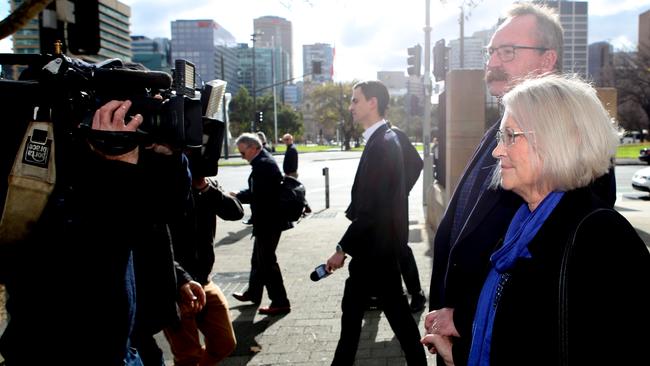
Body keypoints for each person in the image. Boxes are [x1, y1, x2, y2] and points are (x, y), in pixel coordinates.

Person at [424, 3, 617, 365]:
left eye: (508, 52)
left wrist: (464, 316)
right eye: (491, 51)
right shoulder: (493, 134)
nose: (493, 61)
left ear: (547, 60)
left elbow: (565, 286)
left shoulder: (577, 155)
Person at [0, 100, 147, 365]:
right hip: (56, 351)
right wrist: (115, 168)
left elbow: (161, 217)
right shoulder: (32, 178)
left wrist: (169, 154)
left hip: (119, 349)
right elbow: (83, 250)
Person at [325, 80, 426, 365]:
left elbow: (369, 210)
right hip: (378, 247)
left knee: (390, 317)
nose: (351, 107)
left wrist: (341, 248)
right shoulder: (388, 136)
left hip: (375, 249)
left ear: (373, 103)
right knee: (375, 315)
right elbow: (405, 174)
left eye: (355, 101)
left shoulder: (383, 143)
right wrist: (397, 194)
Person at [163, 173, 243, 365]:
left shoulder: (205, 184)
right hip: (174, 284)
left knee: (225, 343)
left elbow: (235, 212)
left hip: (204, 280)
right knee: (188, 355)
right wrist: (181, 278)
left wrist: (204, 186)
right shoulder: (160, 182)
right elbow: (152, 243)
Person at [230, 133, 292, 315]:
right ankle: (253, 293)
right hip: (268, 220)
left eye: (242, 153)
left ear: (252, 148)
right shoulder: (262, 161)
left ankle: (280, 301)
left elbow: (259, 195)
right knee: (258, 260)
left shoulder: (263, 165)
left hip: (269, 221)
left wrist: (237, 196)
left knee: (267, 262)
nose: (242, 157)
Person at [388, 124, 427, 312]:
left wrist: (402, 190)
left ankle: (417, 294)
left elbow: (417, 163)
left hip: (395, 205)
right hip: (378, 206)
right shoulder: (374, 136)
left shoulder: (394, 134)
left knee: (400, 248)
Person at [282, 133, 312, 214]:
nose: (286, 141)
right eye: (285, 140)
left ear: (291, 140)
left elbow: (293, 163)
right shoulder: (290, 148)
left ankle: (305, 206)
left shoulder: (292, 149)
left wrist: (288, 173)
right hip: (289, 173)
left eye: (287, 139)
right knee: (294, 191)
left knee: (295, 191)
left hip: (291, 173)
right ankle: (304, 206)